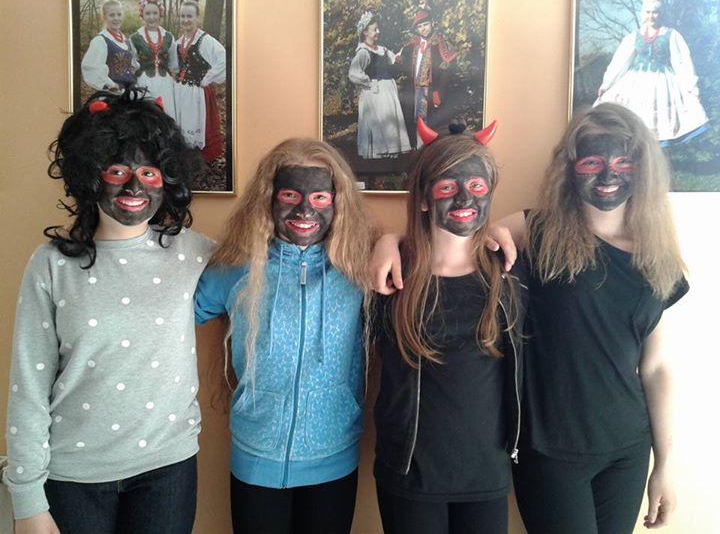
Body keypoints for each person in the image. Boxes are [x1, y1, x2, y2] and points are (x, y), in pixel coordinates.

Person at [370, 103, 688, 533]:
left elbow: (657, 366)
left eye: (623, 162)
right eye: (592, 162)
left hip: (627, 446)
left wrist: (664, 464)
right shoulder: (536, 233)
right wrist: (390, 241)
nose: (608, 175)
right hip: (549, 447)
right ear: (570, 168)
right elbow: (462, 234)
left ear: (643, 168)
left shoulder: (657, 251)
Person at [4, 88, 214, 534]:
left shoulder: (192, 252)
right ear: (90, 175)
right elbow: (28, 388)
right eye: (118, 171)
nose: (134, 187)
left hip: (168, 469)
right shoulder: (50, 266)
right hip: (73, 476)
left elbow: (264, 260)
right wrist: (27, 501)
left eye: (149, 173)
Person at [194, 138, 377, 534]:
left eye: (320, 198)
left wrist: (393, 243)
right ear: (268, 199)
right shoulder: (236, 268)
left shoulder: (360, 269)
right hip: (256, 456)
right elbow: (176, 311)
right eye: (290, 195)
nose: (304, 210)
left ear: (338, 203)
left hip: (334, 456)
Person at [373, 118, 525, 534]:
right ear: (424, 198)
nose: (464, 198)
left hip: (486, 474)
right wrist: (388, 239)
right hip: (410, 475)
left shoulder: (509, 274)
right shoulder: (391, 278)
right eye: (446, 187)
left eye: (476, 186)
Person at [595, 0, 708, 144]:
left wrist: (692, 88)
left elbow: (682, 64)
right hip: (636, 85)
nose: (651, 16)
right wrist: (606, 84)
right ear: (644, 13)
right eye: (648, 12)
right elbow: (620, 62)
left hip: (662, 86)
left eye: (655, 12)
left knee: (657, 123)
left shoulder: (671, 35)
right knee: (634, 120)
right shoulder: (634, 36)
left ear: (661, 13)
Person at [348, 11, 411, 159]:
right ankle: (379, 151)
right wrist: (369, 83)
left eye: (378, 28)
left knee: (389, 118)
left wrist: (399, 58)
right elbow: (353, 73)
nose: (378, 31)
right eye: (375, 29)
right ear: (365, 32)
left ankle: (392, 149)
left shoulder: (382, 49)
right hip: (375, 91)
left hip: (387, 89)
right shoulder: (363, 52)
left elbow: (393, 59)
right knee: (379, 119)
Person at [173, 0, 226, 162]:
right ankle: (185, 154)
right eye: (183, 16)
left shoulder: (205, 40)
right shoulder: (179, 42)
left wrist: (208, 77)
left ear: (197, 18)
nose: (185, 20)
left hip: (198, 93)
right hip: (181, 91)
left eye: (189, 16)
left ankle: (199, 157)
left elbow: (223, 58)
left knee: (196, 123)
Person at [402, 10, 458, 148]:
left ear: (432, 23)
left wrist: (440, 91)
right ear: (416, 29)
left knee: (434, 121)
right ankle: (419, 147)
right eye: (420, 26)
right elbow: (403, 64)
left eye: (426, 24)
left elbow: (447, 70)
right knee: (417, 120)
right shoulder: (413, 46)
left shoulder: (440, 43)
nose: (423, 29)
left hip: (432, 89)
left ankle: (434, 149)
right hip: (415, 89)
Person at [130, 0, 179, 120]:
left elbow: (174, 63)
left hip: (165, 83)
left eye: (155, 13)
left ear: (160, 14)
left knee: (166, 115)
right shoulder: (135, 38)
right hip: (144, 82)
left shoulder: (168, 36)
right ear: (142, 15)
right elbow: (132, 63)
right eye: (148, 13)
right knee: (147, 117)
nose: (151, 17)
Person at [81, 0, 138, 92]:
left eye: (119, 14)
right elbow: (92, 68)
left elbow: (133, 66)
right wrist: (112, 85)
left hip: (130, 92)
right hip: (113, 94)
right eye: (112, 15)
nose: (116, 18)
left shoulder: (127, 41)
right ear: (104, 17)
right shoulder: (100, 41)